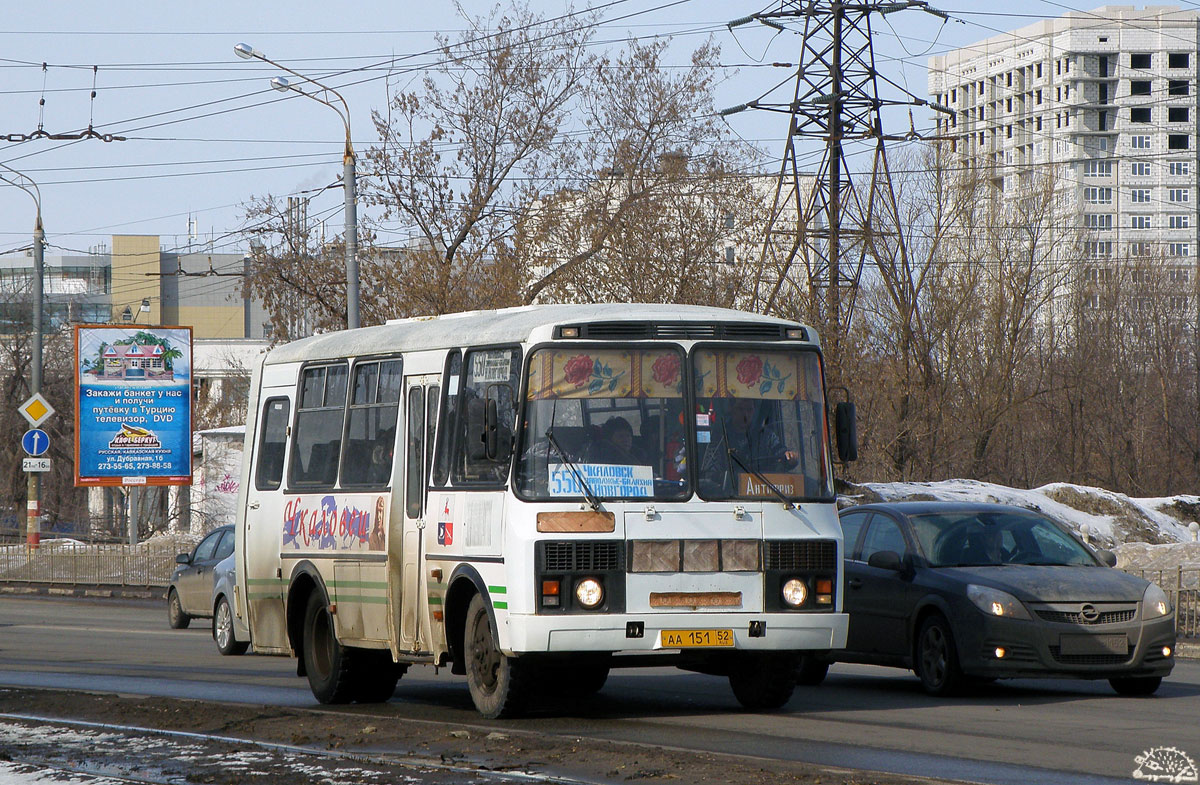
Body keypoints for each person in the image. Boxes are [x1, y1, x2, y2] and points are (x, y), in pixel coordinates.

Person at [699, 398, 797, 492]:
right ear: (731, 409)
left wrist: (790, 457)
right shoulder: (719, 437)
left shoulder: (766, 436)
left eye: (749, 410)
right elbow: (710, 472)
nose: (745, 414)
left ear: (754, 411)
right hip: (727, 494)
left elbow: (780, 452)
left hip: (763, 491)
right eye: (740, 409)